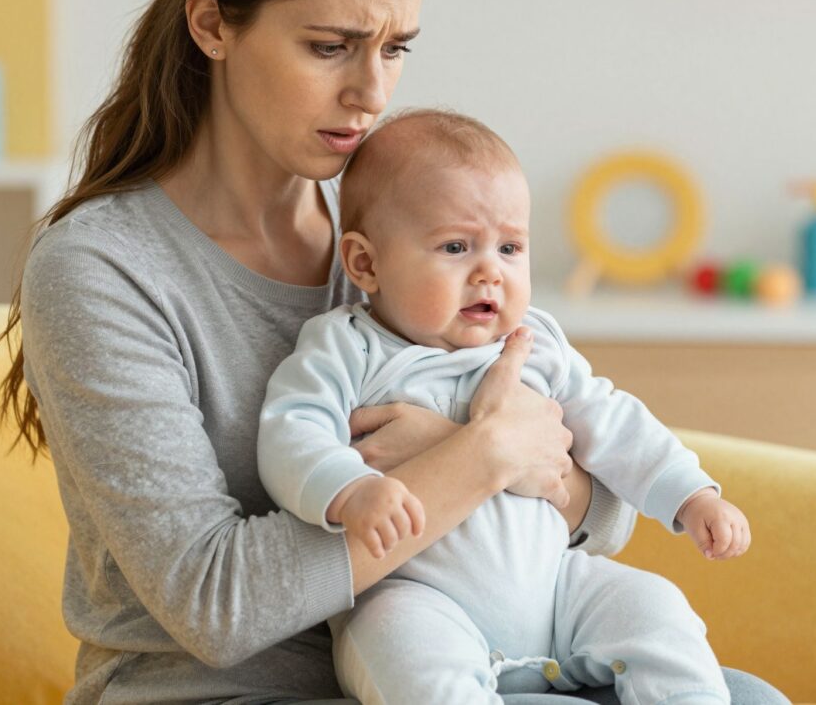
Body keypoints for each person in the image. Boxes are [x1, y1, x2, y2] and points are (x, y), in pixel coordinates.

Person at [0, 0, 791, 705]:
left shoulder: (408, 242)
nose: (372, 92)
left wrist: (485, 459)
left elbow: (599, 518)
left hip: (468, 664)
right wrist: (480, 455)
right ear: (213, 24)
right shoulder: (104, 269)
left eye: (397, 48)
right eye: (330, 47)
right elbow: (214, 604)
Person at [257, 108, 752, 705]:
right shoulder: (349, 346)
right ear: (366, 263)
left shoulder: (534, 345)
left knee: (658, 610)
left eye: (510, 246)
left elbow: (613, 419)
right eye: (456, 246)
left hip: (559, 589)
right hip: (420, 597)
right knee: (400, 651)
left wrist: (691, 493)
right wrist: (349, 489)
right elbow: (292, 429)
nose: (490, 272)